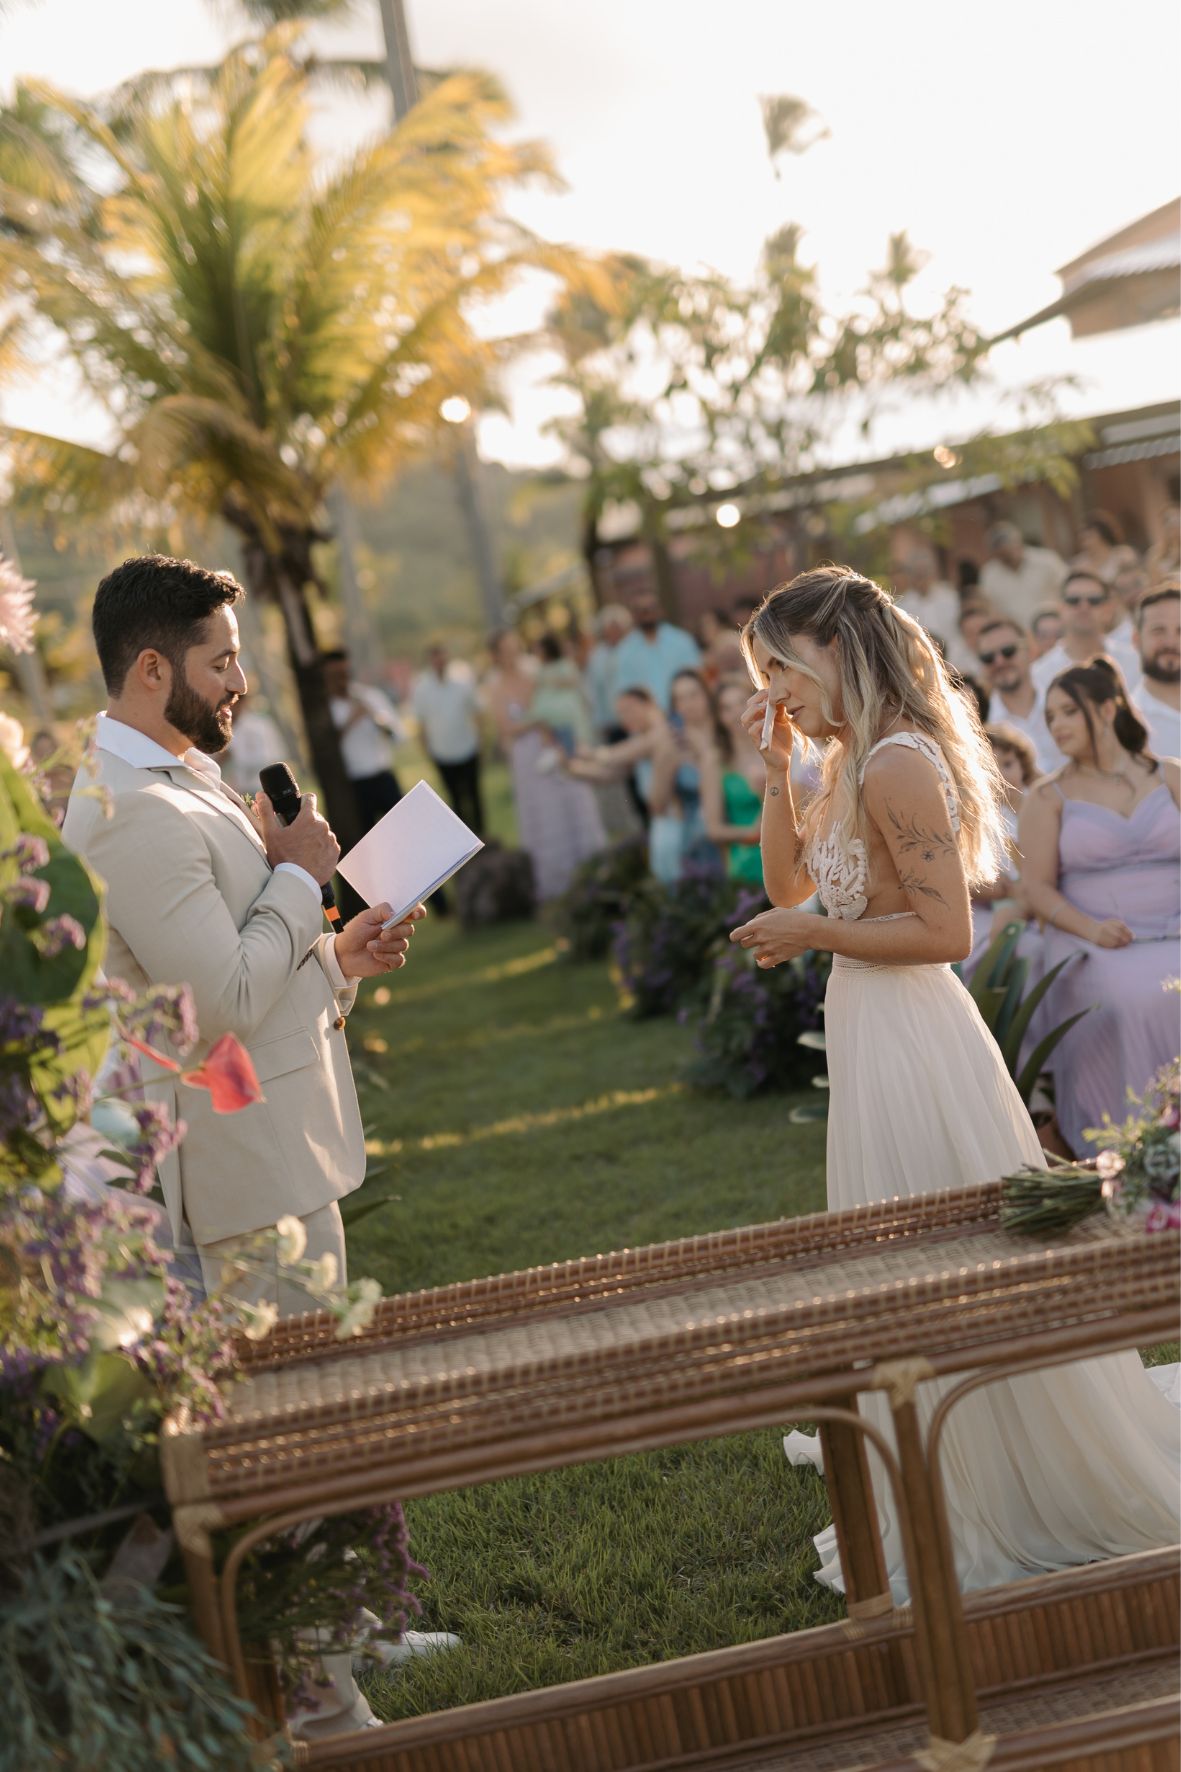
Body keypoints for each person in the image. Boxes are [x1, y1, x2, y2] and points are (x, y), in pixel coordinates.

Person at [726, 564, 1178, 1601]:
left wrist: (812, 935)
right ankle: (944, 1446)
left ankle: (1005, 1466)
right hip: (869, 1027)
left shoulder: (895, 763)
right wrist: (777, 772)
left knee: (940, 1248)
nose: (772, 692)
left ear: (834, 652)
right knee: (898, 1253)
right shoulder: (844, 759)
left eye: (780, 670)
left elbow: (944, 932)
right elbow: (787, 883)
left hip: (915, 1034)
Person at [61, 555, 447, 1734]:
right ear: (150, 666)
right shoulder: (124, 810)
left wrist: (339, 953)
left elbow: (255, 972)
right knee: (276, 1437)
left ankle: (348, 1626)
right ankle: (319, 1702)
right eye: (220, 658)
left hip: (277, 1134)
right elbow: (215, 1004)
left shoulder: (184, 775)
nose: (240, 679)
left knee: (318, 1414)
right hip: (228, 1169)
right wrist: (296, 878)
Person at [1019, 657, 1181, 1158]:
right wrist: (1092, 930)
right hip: (1094, 940)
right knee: (1135, 997)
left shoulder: (1169, 775)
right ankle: (1141, 1146)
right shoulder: (1048, 796)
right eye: (1051, 716)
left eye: (1070, 711)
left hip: (1174, 928)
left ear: (1108, 709)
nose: (1058, 725)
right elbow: (1037, 889)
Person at [484, 631, 605, 900]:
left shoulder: (536, 671)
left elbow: (564, 694)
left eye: (514, 647)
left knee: (575, 798)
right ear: (496, 656)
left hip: (554, 744)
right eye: (506, 650)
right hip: (527, 754)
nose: (513, 654)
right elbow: (507, 728)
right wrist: (537, 720)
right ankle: (558, 883)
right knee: (546, 813)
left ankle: (592, 870)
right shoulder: (496, 687)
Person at [646, 668, 725, 874]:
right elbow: (657, 805)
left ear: (707, 694)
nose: (688, 704)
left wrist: (705, 751)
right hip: (697, 839)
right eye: (680, 699)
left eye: (693, 694)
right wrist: (663, 761)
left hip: (735, 828)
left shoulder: (726, 733)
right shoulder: (672, 746)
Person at [321, 648, 405, 831]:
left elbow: (397, 735)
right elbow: (327, 750)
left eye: (344, 673)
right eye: (334, 675)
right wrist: (351, 720)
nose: (341, 679)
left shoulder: (370, 696)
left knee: (402, 827)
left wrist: (375, 717)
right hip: (355, 785)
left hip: (383, 776)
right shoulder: (326, 709)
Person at [411, 643, 484, 835]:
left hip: (468, 748)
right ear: (430, 661)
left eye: (442, 657)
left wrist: (480, 742)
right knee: (455, 799)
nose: (439, 662)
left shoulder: (462, 682)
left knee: (474, 795)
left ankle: (483, 836)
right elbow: (420, 724)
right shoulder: (422, 689)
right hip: (442, 753)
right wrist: (428, 752)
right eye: (435, 658)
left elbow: (477, 712)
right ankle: (465, 840)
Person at [974, 617, 1063, 774]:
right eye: (988, 658)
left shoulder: (1065, 701)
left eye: (1008, 651)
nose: (999, 662)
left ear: (1030, 650)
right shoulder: (982, 728)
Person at [700, 678, 766, 885]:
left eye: (741, 703)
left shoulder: (778, 747)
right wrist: (751, 833)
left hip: (789, 850)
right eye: (727, 708)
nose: (737, 712)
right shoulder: (715, 761)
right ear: (719, 717)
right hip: (747, 862)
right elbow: (714, 829)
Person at [1032, 570, 1139, 689]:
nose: (1084, 607)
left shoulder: (1134, 662)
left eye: (1094, 601)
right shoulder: (1040, 674)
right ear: (1061, 608)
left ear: (1108, 609)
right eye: (1073, 601)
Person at [611, 587, 701, 710]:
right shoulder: (624, 652)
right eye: (641, 610)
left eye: (651, 608)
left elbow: (697, 678)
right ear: (633, 614)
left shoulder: (682, 641)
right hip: (647, 717)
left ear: (660, 610)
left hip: (685, 713)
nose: (647, 614)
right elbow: (625, 692)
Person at [1129, 583, 1181, 760]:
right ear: (1136, 639)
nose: (1170, 643)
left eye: (1180, 631)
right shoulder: (1124, 723)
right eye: (1158, 631)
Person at [978, 522, 1067, 624]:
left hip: (1054, 625)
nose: (1008, 557)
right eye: (1002, 555)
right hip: (1017, 631)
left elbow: (1067, 589)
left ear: (1019, 542)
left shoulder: (1047, 560)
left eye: (1009, 550)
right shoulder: (989, 574)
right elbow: (990, 608)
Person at [893, 544, 961, 661]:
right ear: (910, 576)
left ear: (932, 572)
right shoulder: (902, 606)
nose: (921, 578)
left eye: (925, 572)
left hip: (955, 656)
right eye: (917, 573)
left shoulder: (950, 596)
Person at [217, 690, 286, 797]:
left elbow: (267, 759)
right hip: (226, 792)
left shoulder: (259, 726)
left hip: (259, 790)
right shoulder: (217, 726)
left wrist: (230, 757)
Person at [585, 604, 632, 739]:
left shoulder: (632, 649)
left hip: (635, 715)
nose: (613, 632)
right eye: (609, 628)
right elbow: (594, 690)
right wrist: (599, 720)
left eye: (616, 628)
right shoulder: (597, 656)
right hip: (611, 720)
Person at [1074, 510, 1138, 587]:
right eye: (1082, 539)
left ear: (1102, 535)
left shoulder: (1123, 555)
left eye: (1089, 537)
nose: (1085, 543)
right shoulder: (1079, 564)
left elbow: (1135, 580)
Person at [1145, 504, 1181, 582]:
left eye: (1177, 520)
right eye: (1169, 521)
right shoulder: (1155, 553)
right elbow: (1153, 580)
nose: (1174, 526)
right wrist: (1173, 558)